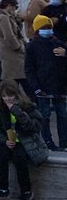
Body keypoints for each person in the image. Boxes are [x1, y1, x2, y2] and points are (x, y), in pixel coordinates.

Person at [0, 80, 47, 200]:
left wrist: (16, 111)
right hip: (8, 140)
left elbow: (34, 126)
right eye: (4, 96)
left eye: (10, 95)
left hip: (25, 140)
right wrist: (4, 140)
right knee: (0, 154)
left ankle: (26, 191)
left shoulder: (28, 106)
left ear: (16, 94)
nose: (7, 99)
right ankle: (3, 189)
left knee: (19, 157)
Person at [26, 14, 66, 151]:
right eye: (44, 27)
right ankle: (48, 143)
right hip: (43, 88)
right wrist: (36, 88)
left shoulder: (59, 44)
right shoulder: (32, 46)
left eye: (49, 27)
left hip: (60, 88)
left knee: (62, 115)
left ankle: (64, 143)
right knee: (45, 116)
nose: (47, 30)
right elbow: (29, 69)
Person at [0, 0, 26, 87]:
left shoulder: (0, 16)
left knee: (14, 75)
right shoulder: (3, 17)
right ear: (9, 6)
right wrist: (18, 47)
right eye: (14, 8)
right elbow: (9, 35)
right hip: (10, 50)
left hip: (6, 48)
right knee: (15, 75)